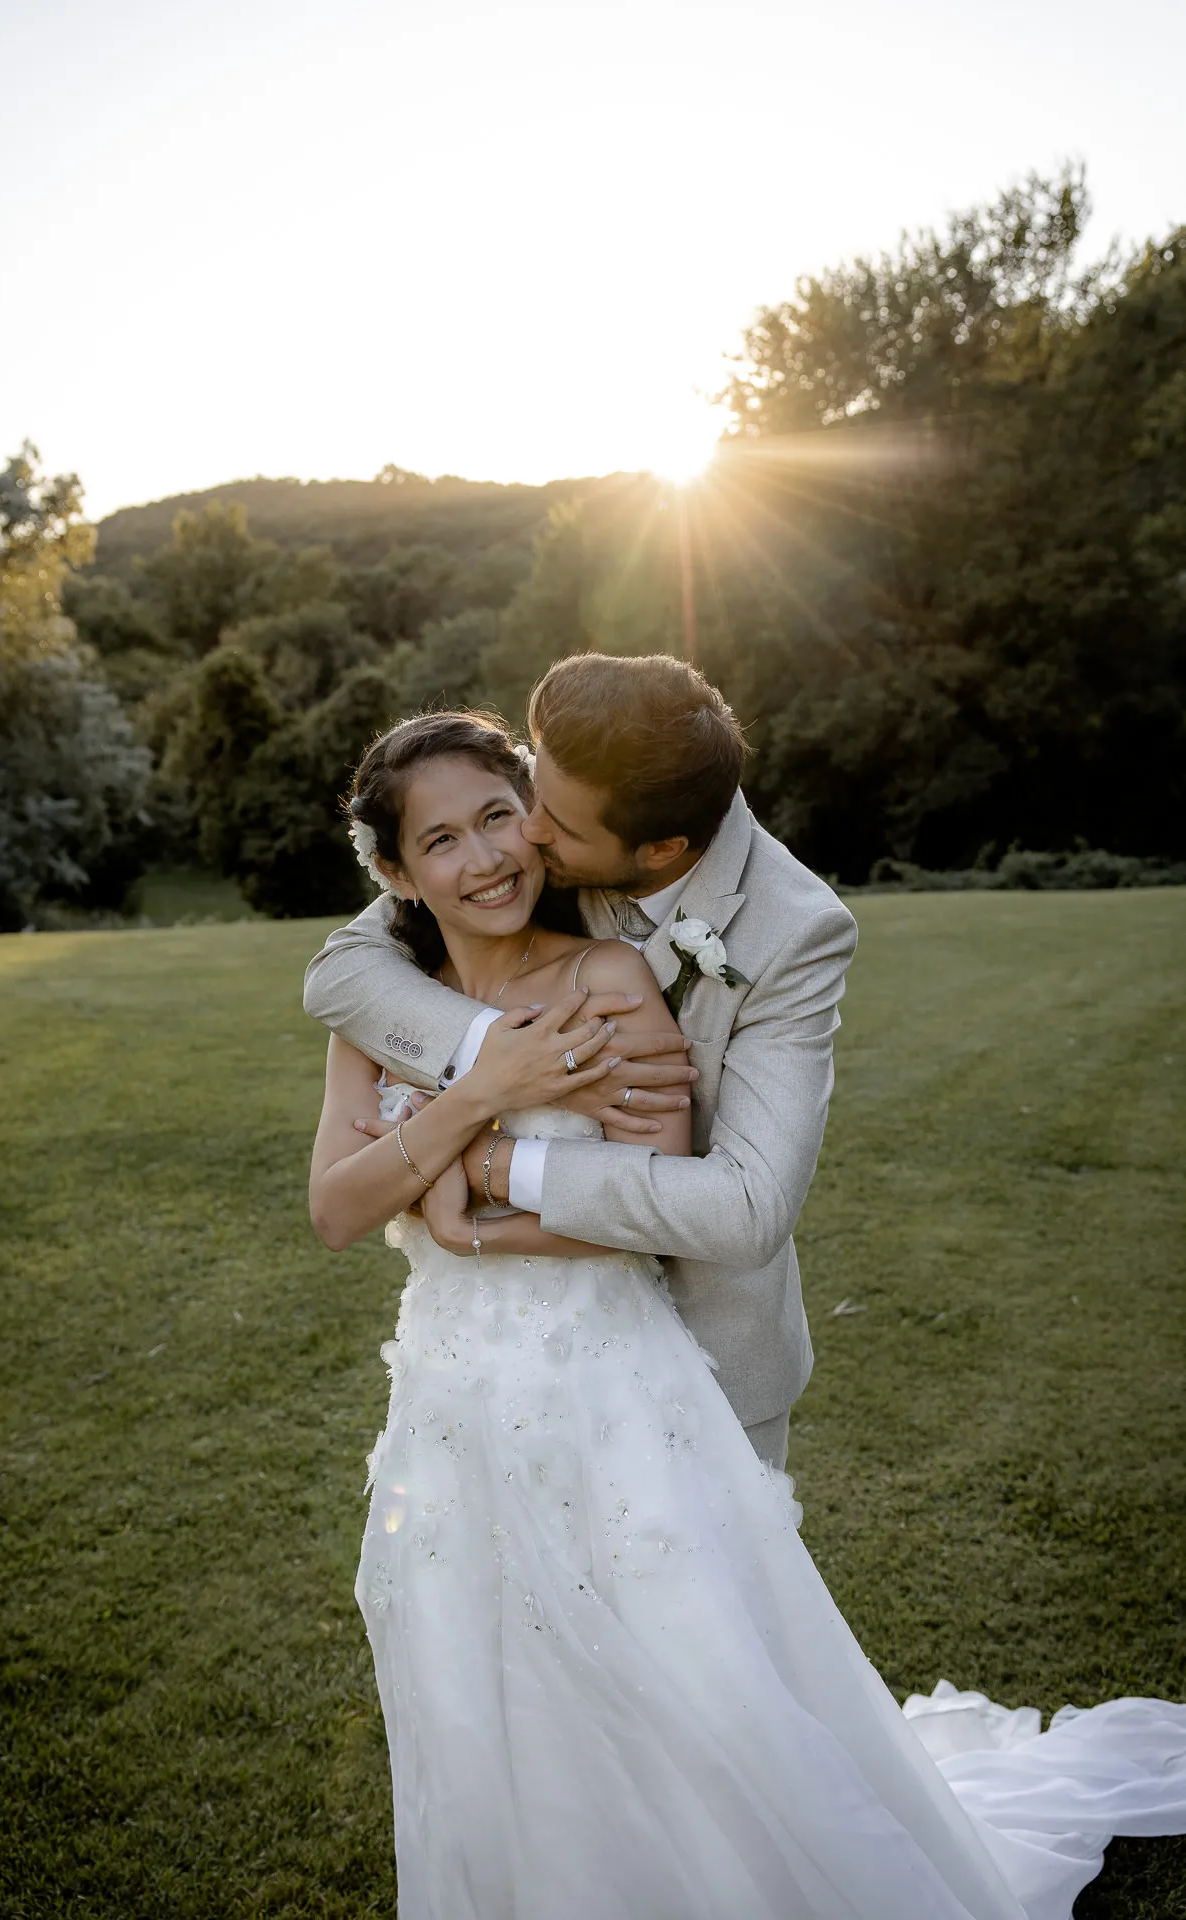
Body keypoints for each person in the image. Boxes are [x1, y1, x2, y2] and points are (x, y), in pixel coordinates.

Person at [307, 707, 1186, 1920]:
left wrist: (469, 1198)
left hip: (609, 1375)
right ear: (398, 871)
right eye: (442, 840)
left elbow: (672, 1203)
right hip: (451, 1396)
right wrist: (483, 1093)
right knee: (475, 1667)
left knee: (688, 1665)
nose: (493, 855)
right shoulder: (381, 994)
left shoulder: (614, 977)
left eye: (505, 816)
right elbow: (336, 1209)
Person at [305, 653, 860, 1469]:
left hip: (702, 1353)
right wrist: (498, 1061)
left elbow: (744, 1210)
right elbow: (341, 973)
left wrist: (483, 1159)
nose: (523, 835)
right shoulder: (550, 803)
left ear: (660, 848)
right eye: (527, 796)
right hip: (475, 1359)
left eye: (549, 826)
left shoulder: (793, 931)